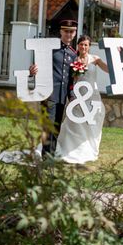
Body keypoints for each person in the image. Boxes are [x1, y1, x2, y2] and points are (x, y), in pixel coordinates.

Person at [56, 35, 109, 164]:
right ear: (77, 45)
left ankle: (90, 147)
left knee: (93, 120)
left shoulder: (95, 59)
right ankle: (71, 148)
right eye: (81, 44)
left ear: (89, 46)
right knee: (75, 121)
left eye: (86, 45)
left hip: (92, 95)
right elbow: (71, 80)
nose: (83, 47)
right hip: (79, 95)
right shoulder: (73, 59)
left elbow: (107, 69)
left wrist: (115, 58)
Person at [29, 19, 77, 155]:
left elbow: (70, 79)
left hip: (62, 97)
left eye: (71, 32)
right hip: (48, 94)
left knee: (56, 129)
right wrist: (32, 71)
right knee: (48, 127)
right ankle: (46, 157)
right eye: (66, 31)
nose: (68, 34)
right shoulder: (51, 48)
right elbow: (37, 66)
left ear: (74, 33)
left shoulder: (73, 54)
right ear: (61, 32)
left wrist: (71, 96)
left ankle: (50, 157)